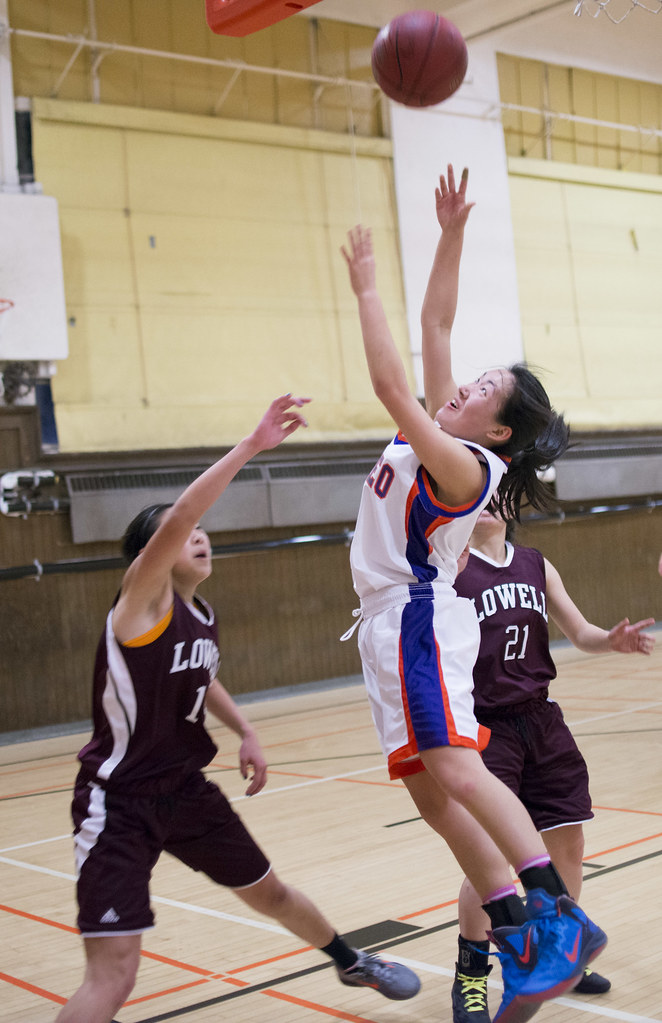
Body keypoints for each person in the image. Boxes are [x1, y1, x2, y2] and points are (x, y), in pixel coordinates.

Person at [55, 394, 421, 1023]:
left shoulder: (200, 616)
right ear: (152, 556)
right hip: (118, 803)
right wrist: (252, 445)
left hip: (186, 792)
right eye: (180, 532)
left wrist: (246, 730)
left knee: (270, 890)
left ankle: (349, 959)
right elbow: (187, 511)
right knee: (114, 977)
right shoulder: (140, 605)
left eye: (199, 532)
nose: (197, 535)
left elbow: (204, 681)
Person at [340, 165, 607, 1023]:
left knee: (456, 766)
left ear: (498, 431)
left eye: (484, 389)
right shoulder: (444, 435)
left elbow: (389, 384)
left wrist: (365, 287)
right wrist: (451, 233)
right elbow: (438, 322)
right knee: (429, 790)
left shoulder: (463, 463)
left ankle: (557, 916)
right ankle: (514, 926)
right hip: (386, 626)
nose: (464, 383)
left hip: (417, 617)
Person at [450, 509, 656, 1023]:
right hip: (485, 725)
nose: (490, 500)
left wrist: (610, 640)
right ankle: (471, 975)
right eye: (478, 494)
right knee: (492, 859)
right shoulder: (451, 566)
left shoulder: (537, 565)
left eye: (498, 492)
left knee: (568, 841)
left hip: (540, 719)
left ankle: (560, 952)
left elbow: (580, 631)